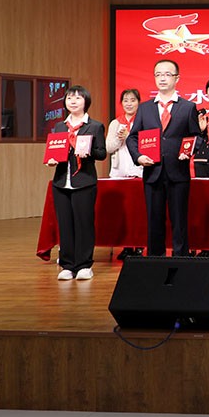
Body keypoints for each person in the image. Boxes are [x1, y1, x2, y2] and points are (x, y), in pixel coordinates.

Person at [126, 59, 201, 257]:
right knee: (154, 220)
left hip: (178, 172)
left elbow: (197, 136)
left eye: (167, 74)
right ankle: (155, 260)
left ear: (177, 78)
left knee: (179, 220)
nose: (162, 78)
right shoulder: (145, 108)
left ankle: (181, 259)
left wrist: (189, 151)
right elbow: (133, 137)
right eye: (158, 74)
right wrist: (138, 156)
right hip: (152, 172)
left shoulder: (188, 107)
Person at [47, 86, 107, 281]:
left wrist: (88, 152)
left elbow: (102, 153)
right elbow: (56, 150)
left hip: (84, 182)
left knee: (83, 224)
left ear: (86, 102)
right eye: (69, 98)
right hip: (61, 183)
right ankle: (67, 265)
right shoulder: (59, 126)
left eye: (78, 98)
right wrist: (52, 159)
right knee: (65, 225)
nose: (73, 101)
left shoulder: (95, 126)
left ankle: (84, 265)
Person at [106, 88, 144, 260]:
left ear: (138, 102)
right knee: (123, 212)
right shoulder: (115, 123)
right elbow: (108, 148)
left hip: (139, 172)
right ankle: (127, 246)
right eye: (126, 100)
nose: (129, 104)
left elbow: (148, 146)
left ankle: (140, 246)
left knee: (139, 211)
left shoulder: (143, 121)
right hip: (119, 173)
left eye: (133, 100)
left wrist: (130, 137)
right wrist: (119, 138)